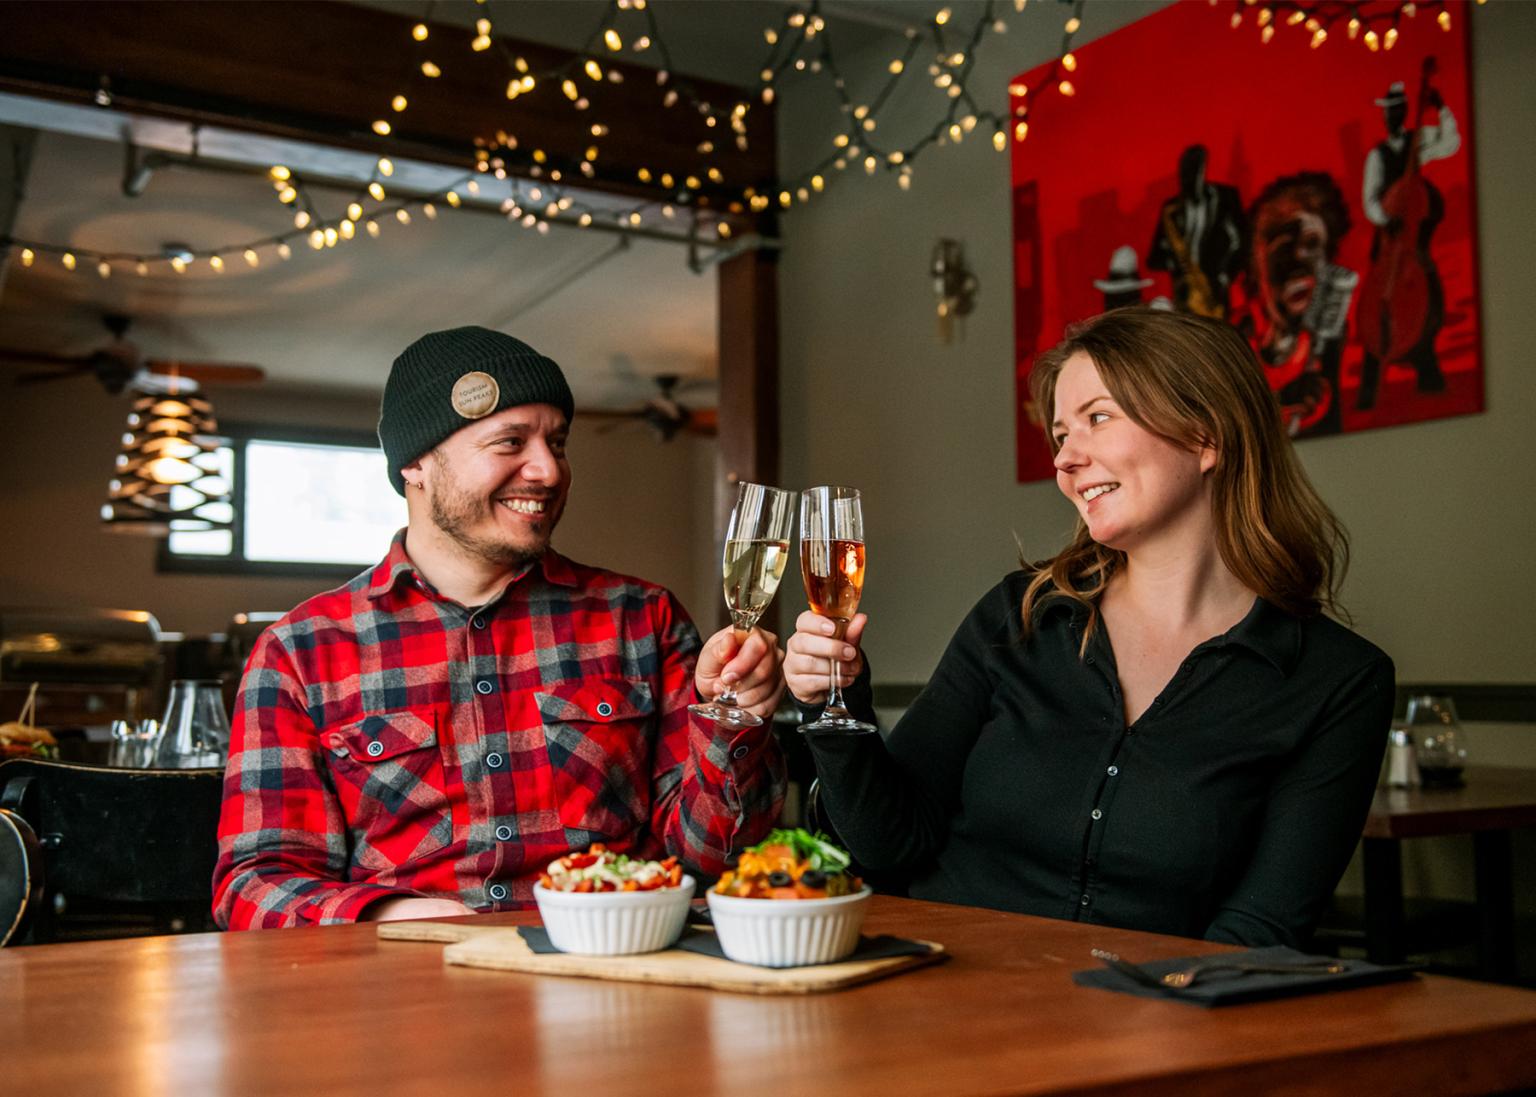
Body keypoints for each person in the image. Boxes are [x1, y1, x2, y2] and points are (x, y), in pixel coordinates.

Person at [786, 308, 1394, 948]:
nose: (1065, 460)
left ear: (1206, 435)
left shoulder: (1338, 680)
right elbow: (890, 842)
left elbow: (1261, 931)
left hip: (1155, 1026)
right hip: (944, 999)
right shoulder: (1019, 616)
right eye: (1060, 435)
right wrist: (835, 699)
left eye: (1098, 418)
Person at [213, 327, 787, 928]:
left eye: (557, 443)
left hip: (617, 972)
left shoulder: (642, 619)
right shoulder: (301, 652)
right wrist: (388, 915)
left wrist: (736, 723)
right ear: (416, 463)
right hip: (410, 992)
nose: (547, 470)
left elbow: (718, 859)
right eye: (510, 442)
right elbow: (253, 883)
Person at [1356, 79, 1461, 409]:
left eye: (1397, 111)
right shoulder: (1378, 155)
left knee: (1425, 310)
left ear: (1404, 112)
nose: (1392, 117)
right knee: (1376, 309)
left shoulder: (1419, 142)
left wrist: (1441, 107)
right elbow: (1370, 200)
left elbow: (1451, 143)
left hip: (1414, 251)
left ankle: (1430, 380)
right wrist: (1388, 219)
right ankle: (1368, 393)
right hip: (1388, 241)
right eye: (1388, 112)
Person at [1236, 171, 1359, 437]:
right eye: (1286, 244)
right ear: (1257, 258)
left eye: (1313, 244)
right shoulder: (1232, 345)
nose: (1300, 257)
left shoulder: (1326, 342)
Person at [1147, 144, 1246, 320]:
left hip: (1213, 287)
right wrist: (1174, 261)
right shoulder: (1171, 209)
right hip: (1184, 287)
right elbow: (1155, 258)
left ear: (1203, 171)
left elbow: (1241, 242)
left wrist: (1226, 274)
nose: (1190, 180)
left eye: (1195, 173)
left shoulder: (1224, 198)